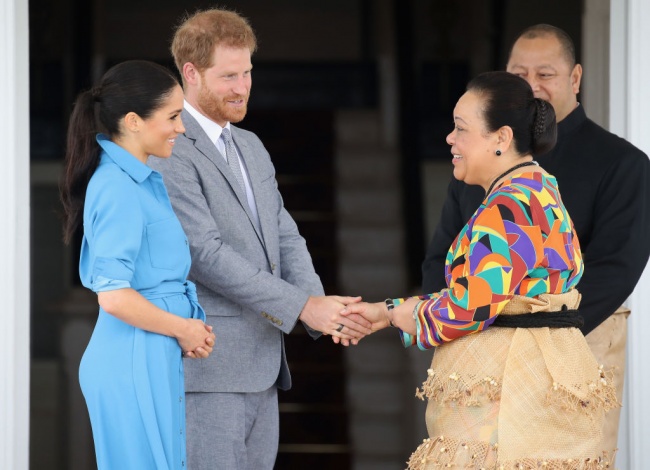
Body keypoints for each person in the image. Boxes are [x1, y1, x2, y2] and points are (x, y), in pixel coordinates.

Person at [343, 71, 619, 468]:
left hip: (512, 391)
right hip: (540, 375)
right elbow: (484, 293)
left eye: (461, 128)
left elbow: (471, 306)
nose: (449, 139)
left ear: (501, 139)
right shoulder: (539, 185)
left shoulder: (507, 208)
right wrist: (389, 312)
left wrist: (392, 314)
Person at [148, 8, 370, 469]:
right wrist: (304, 307)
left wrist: (320, 310)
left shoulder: (250, 144)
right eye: (229, 75)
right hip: (207, 370)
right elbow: (203, 254)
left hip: (264, 365)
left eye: (247, 72)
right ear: (190, 73)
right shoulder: (168, 147)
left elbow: (286, 235)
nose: (243, 86)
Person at [421, 24, 650, 457]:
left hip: (579, 338)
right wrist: (451, 322)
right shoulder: (477, 158)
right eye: (518, 73)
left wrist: (545, 334)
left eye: (545, 73)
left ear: (575, 79)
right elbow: (442, 255)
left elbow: (617, 269)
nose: (531, 85)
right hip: (477, 340)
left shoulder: (623, 163)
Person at [59, 60, 217, 469]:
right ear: (133, 121)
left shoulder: (139, 179)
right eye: (173, 116)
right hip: (131, 359)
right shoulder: (116, 186)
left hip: (149, 353)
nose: (181, 128)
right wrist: (184, 328)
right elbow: (113, 296)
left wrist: (189, 328)